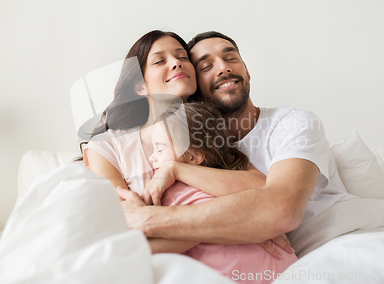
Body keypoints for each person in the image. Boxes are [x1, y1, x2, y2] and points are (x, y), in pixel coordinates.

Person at [117, 31, 355, 250]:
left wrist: (148, 218)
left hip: (341, 238)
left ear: (246, 70)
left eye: (231, 58)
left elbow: (283, 210)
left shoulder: (294, 123)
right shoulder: (195, 151)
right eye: (207, 66)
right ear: (194, 85)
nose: (223, 68)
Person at [81, 30, 293, 257]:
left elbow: (260, 188)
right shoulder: (107, 147)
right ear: (139, 86)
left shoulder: (207, 129)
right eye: (160, 61)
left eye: (183, 57)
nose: (176, 63)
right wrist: (235, 226)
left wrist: (176, 169)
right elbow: (122, 239)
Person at [147, 102, 298, 283]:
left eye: (160, 149)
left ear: (194, 156)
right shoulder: (223, 178)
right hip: (285, 268)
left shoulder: (171, 188)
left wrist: (174, 169)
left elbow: (264, 188)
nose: (151, 157)